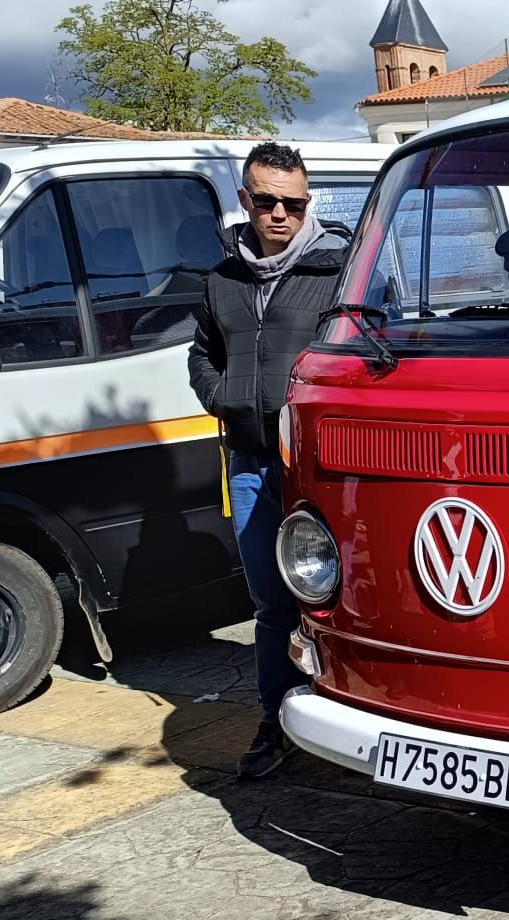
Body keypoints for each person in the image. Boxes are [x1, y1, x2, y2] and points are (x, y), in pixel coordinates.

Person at [187, 142, 353, 779]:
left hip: (323, 473)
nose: (280, 214)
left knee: (339, 601)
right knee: (271, 606)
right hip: (252, 462)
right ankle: (275, 723)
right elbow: (202, 353)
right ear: (245, 201)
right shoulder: (222, 279)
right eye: (266, 201)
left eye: (293, 202)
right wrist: (219, 398)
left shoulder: (336, 270)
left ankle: (354, 712)